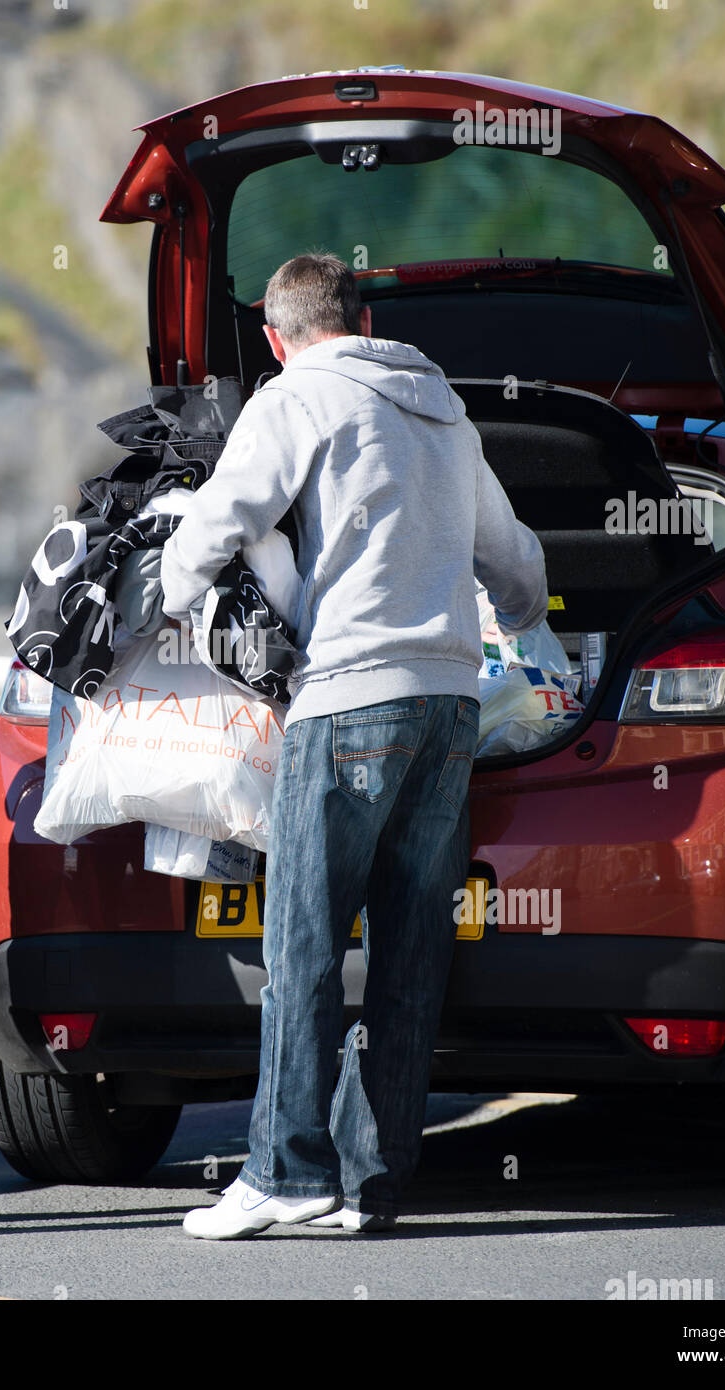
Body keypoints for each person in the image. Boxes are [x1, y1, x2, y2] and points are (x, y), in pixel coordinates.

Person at [161, 252, 547, 1238]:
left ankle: (286, 1172)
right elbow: (513, 555)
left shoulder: (297, 397)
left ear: (274, 335)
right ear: (364, 314)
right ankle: (371, 1181)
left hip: (346, 701)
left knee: (302, 942)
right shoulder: (442, 406)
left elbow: (224, 517)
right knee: (412, 950)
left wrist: (166, 591)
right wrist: (525, 630)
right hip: (450, 705)